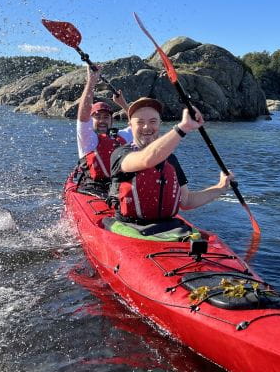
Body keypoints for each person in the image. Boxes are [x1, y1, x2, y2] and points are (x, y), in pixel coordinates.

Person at [107, 97, 233, 240]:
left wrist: (221, 187)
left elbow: (186, 201)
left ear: (160, 123)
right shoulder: (121, 154)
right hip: (130, 228)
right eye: (140, 122)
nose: (147, 127)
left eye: (153, 121)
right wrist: (183, 128)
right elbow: (147, 159)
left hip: (167, 227)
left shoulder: (171, 159)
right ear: (130, 125)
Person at [75, 65, 130, 196]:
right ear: (91, 120)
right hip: (94, 190)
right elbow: (83, 115)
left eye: (106, 117)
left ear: (112, 120)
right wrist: (91, 82)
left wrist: (123, 104)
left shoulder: (123, 136)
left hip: (120, 189)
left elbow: (138, 124)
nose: (102, 121)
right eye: (97, 117)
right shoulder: (88, 139)